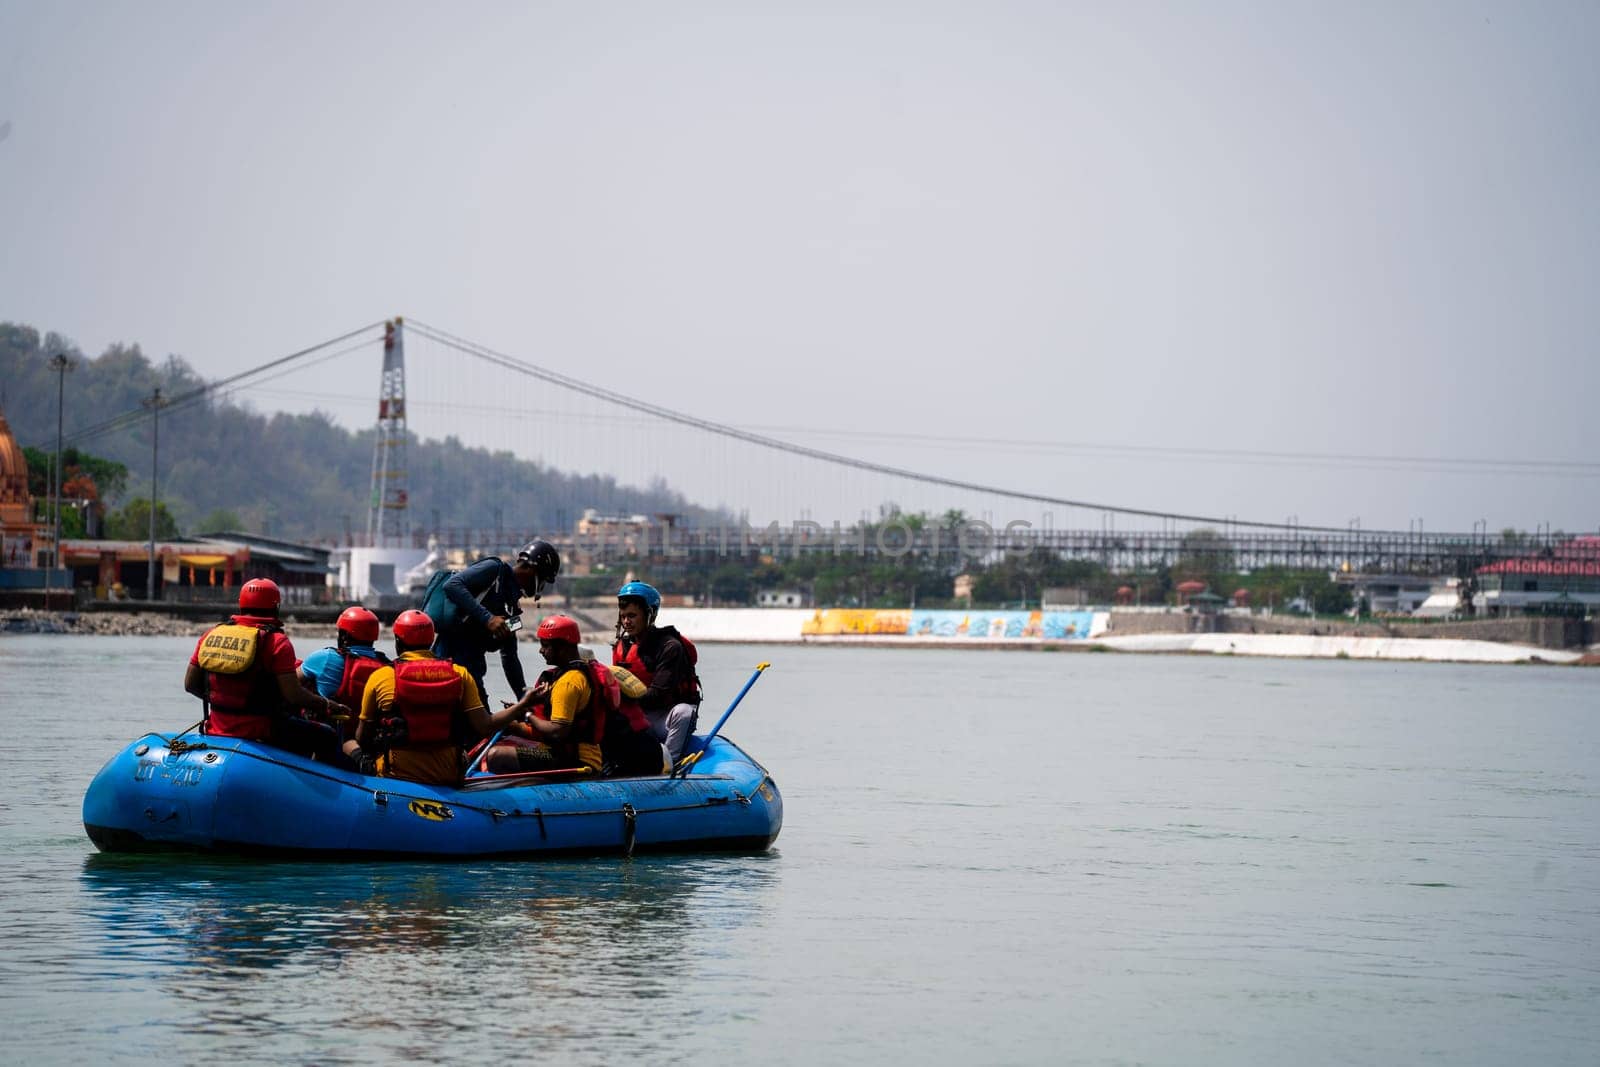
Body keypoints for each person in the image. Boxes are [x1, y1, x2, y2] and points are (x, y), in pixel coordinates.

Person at [341, 609, 526, 786]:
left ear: (398, 642)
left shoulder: (381, 677)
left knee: (347, 741)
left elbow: (363, 737)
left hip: (395, 772)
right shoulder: (460, 673)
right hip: (446, 773)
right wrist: (523, 705)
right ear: (431, 641)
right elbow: (484, 726)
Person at [185, 578, 347, 762]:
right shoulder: (277, 641)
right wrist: (325, 704)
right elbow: (293, 695)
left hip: (216, 727)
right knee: (327, 736)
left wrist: (224, 703)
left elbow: (190, 685)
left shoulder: (211, 634)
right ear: (276, 607)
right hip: (263, 730)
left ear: (241, 604)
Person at [485, 614, 662, 776]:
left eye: (545, 646)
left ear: (562, 647)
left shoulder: (569, 682)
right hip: (568, 752)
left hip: (574, 759)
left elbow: (557, 732)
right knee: (504, 742)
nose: (541, 651)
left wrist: (528, 715)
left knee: (496, 756)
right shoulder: (576, 674)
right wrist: (514, 722)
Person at [422, 539, 560, 705]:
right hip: (444, 665)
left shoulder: (513, 609)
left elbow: (510, 656)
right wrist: (487, 618)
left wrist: (523, 698)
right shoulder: (494, 570)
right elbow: (452, 585)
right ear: (531, 569)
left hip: (472, 675)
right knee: (476, 726)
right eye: (543, 580)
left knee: (480, 726)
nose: (542, 587)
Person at [612, 581, 702, 763]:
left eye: (632, 616)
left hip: (664, 718)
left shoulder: (670, 647)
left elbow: (657, 696)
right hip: (636, 717)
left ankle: (669, 761)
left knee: (684, 712)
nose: (626, 622)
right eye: (623, 616)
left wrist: (624, 698)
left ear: (650, 614)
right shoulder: (622, 646)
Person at [297, 606, 390, 739]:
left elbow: (291, 686)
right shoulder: (386, 667)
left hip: (330, 736)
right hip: (367, 739)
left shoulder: (325, 657)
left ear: (344, 636)